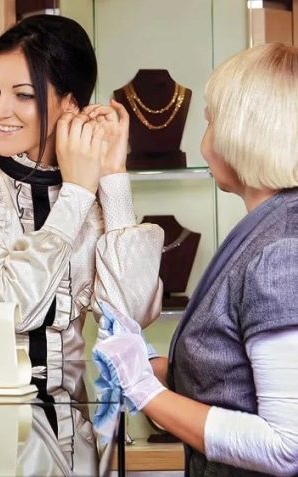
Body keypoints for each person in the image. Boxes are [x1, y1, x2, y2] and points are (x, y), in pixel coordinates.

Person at [0, 13, 164, 377]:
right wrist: (76, 194)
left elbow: (130, 317)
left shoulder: (92, 194)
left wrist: (113, 175)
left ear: (71, 104)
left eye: (24, 95)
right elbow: (9, 310)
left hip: (74, 408)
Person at [93, 43, 298, 476]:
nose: (203, 144)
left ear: (242, 132)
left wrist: (144, 390)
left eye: (210, 121)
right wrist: (151, 363)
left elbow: (286, 447)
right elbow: (235, 378)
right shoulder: (268, 229)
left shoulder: (281, 253)